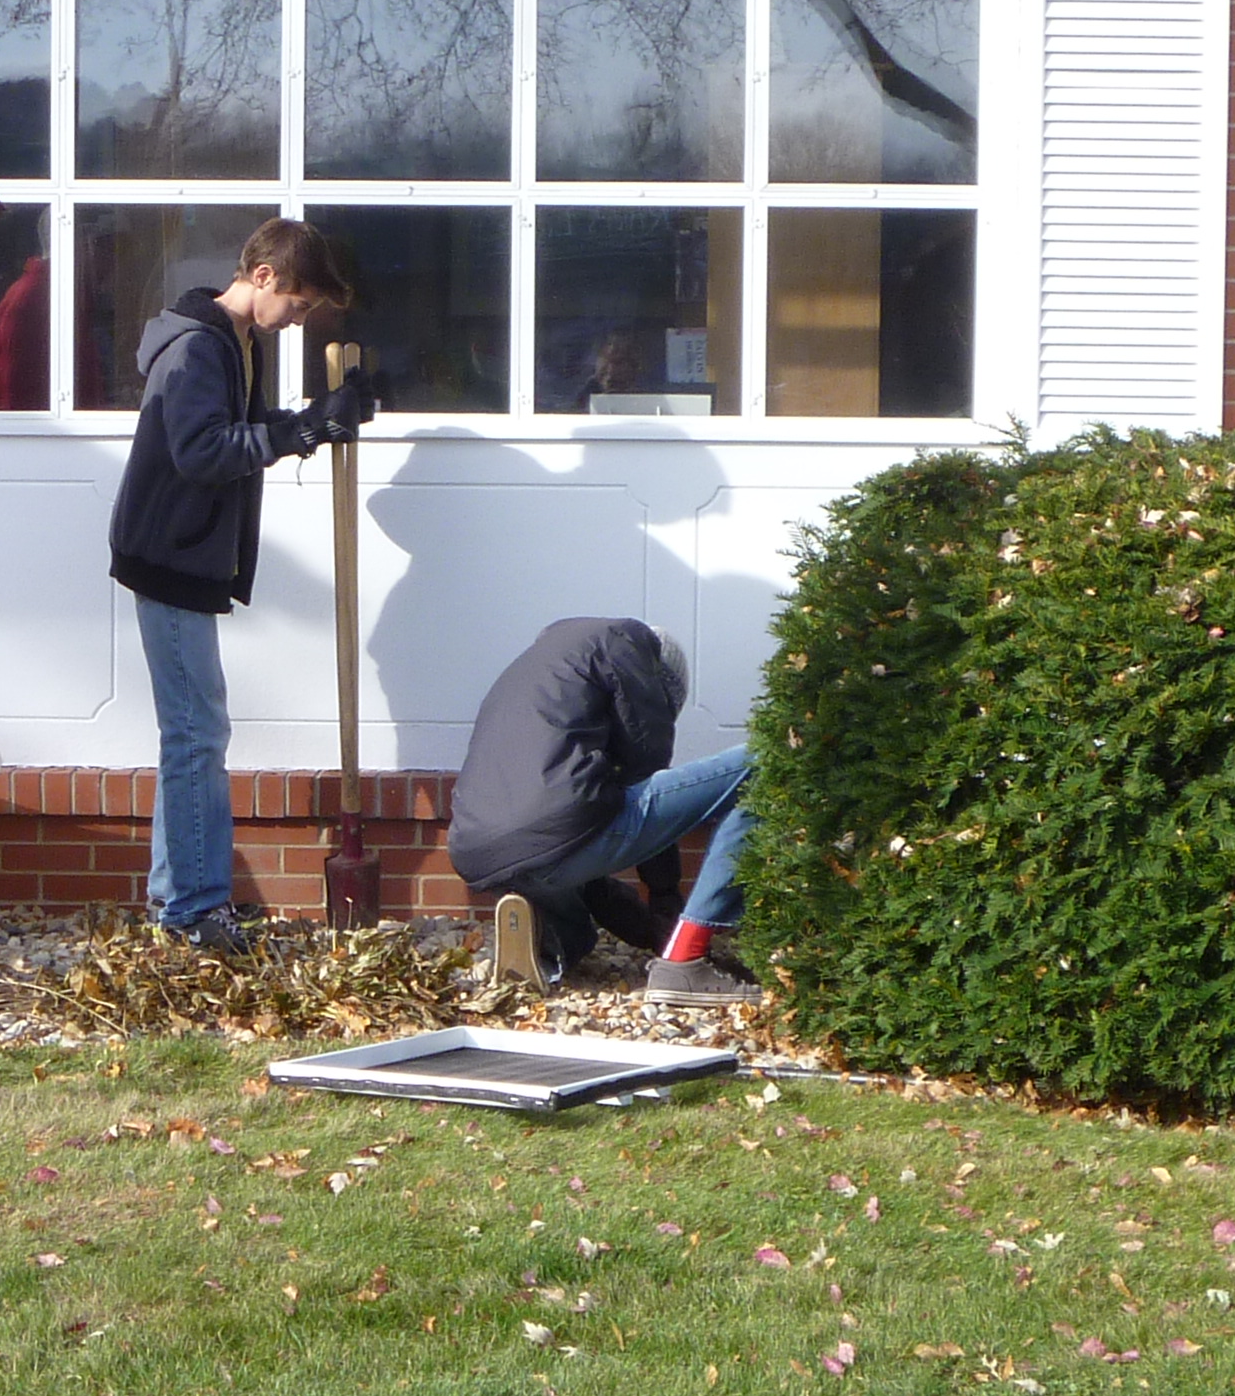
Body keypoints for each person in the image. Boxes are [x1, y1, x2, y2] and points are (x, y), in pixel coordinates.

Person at [107, 214, 374, 954]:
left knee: (191, 733)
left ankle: (178, 900)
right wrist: (303, 433)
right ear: (263, 277)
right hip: (168, 556)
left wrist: (317, 417)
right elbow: (202, 452)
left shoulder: (235, 343)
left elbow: (242, 431)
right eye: (298, 304)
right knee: (198, 733)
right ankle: (194, 911)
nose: (299, 321)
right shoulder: (198, 347)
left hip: (183, 555)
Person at [446, 615, 763, 1005]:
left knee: (575, 906)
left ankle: (547, 948)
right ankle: (685, 961)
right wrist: (665, 899)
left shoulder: (549, 667)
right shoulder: (627, 648)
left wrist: (649, 930)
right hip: (555, 831)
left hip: (482, 851)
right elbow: (644, 773)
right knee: (761, 763)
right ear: (661, 685)